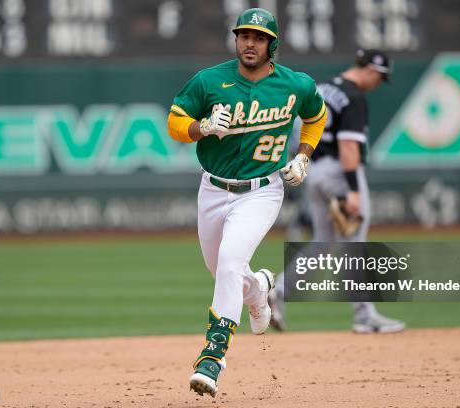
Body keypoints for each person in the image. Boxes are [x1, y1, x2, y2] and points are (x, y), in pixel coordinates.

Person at [166, 8, 327, 398]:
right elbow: (174, 121)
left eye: (258, 37)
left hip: (261, 190)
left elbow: (316, 116)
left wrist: (304, 155)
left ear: (272, 44)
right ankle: (259, 289)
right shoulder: (209, 81)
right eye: (243, 36)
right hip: (213, 188)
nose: (249, 43)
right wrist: (200, 127)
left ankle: (213, 357)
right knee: (221, 269)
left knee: (229, 261)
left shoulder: (295, 85)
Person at [269, 49, 406, 334]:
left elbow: (297, 132)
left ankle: (277, 292)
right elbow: (348, 148)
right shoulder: (354, 97)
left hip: (314, 171)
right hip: (339, 173)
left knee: (322, 243)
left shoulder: (322, 89)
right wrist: (353, 190)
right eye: (380, 78)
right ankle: (364, 315)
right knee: (354, 242)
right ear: (372, 71)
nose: (379, 83)